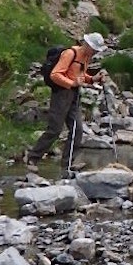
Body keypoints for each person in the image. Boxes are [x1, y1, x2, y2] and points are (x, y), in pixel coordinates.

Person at [27, 32, 106, 175]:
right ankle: (33, 158)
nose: (95, 52)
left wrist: (93, 79)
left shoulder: (86, 57)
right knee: (55, 129)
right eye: (94, 49)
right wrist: (72, 83)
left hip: (74, 95)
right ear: (87, 45)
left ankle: (67, 164)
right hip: (61, 94)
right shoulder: (70, 54)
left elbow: (80, 75)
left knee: (77, 130)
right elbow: (55, 74)